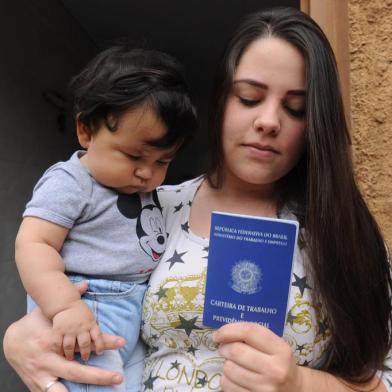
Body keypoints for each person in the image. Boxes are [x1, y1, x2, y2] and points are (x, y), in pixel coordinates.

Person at [4, 6, 392, 392]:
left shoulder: (343, 231)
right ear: (221, 101)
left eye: (296, 108)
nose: (269, 121)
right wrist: (19, 342)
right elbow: (74, 284)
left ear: (316, 124)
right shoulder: (152, 209)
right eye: (249, 98)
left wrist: (299, 383)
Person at [13, 45, 197, 392]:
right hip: (87, 309)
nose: (146, 172)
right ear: (86, 131)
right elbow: (33, 243)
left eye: (162, 162)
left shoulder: (146, 192)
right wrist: (65, 306)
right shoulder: (70, 181)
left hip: (132, 311)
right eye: (134, 155)